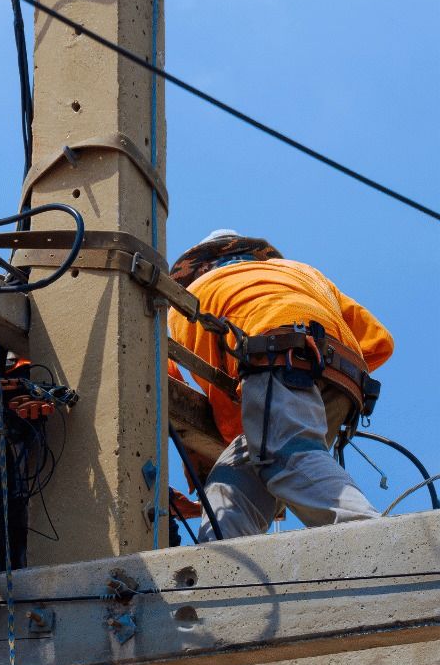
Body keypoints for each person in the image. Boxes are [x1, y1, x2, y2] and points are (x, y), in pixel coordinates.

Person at [168, 229, 394, 542]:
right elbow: (379, 342)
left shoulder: (188, 297)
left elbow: (155, 377)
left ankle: (381, 543)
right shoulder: (304, 273)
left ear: (199, 268)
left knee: (287, 456)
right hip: (347, 379)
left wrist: (196, 462)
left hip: (276, 356)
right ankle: (218, 569)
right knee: (231, 479)